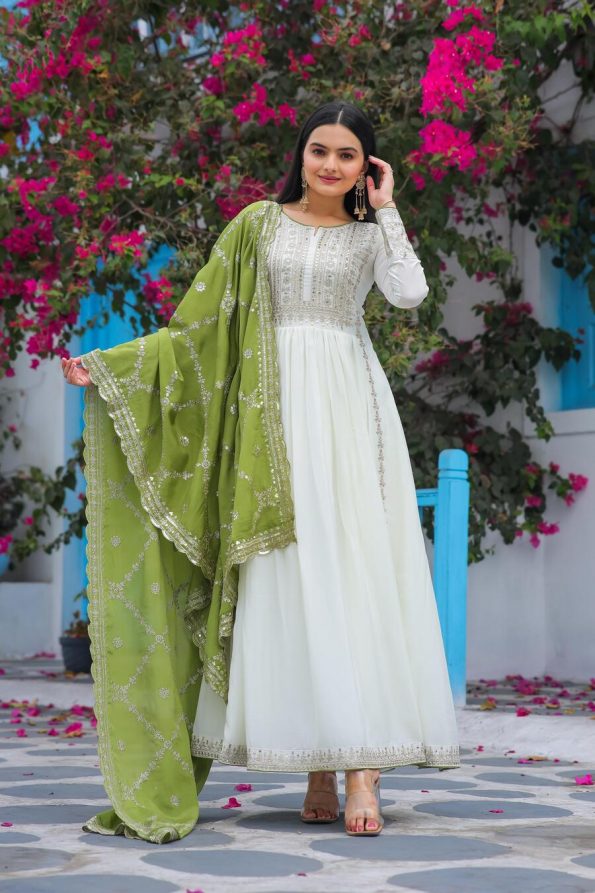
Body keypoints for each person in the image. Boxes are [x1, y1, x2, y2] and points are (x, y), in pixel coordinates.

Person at [63, 100, 459, 843]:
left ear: (365, 167)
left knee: (351, 569)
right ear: (300, 154)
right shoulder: (256, 225)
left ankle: (361, 768)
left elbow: (409, 293)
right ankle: (318, 761)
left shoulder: (370, 234)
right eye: (319, 150)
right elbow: (197, 329)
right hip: (267, 416)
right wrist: (114, 366)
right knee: (287, 575)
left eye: (347, 155)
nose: (330, 165)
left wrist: (388, 210)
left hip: (348, 412)